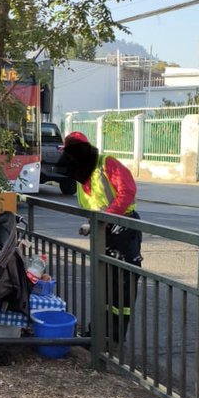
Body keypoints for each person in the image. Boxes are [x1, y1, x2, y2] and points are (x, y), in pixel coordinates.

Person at [55, 131, 143, 344]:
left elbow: (127, 192)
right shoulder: (83, 173)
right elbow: (93, 204)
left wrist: (104, 219)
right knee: (103, 284)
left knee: (121, 286)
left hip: (123, 230)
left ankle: (114, 337)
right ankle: (99, 332)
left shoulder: (107, 164)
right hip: (103, 231)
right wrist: (92, 224)